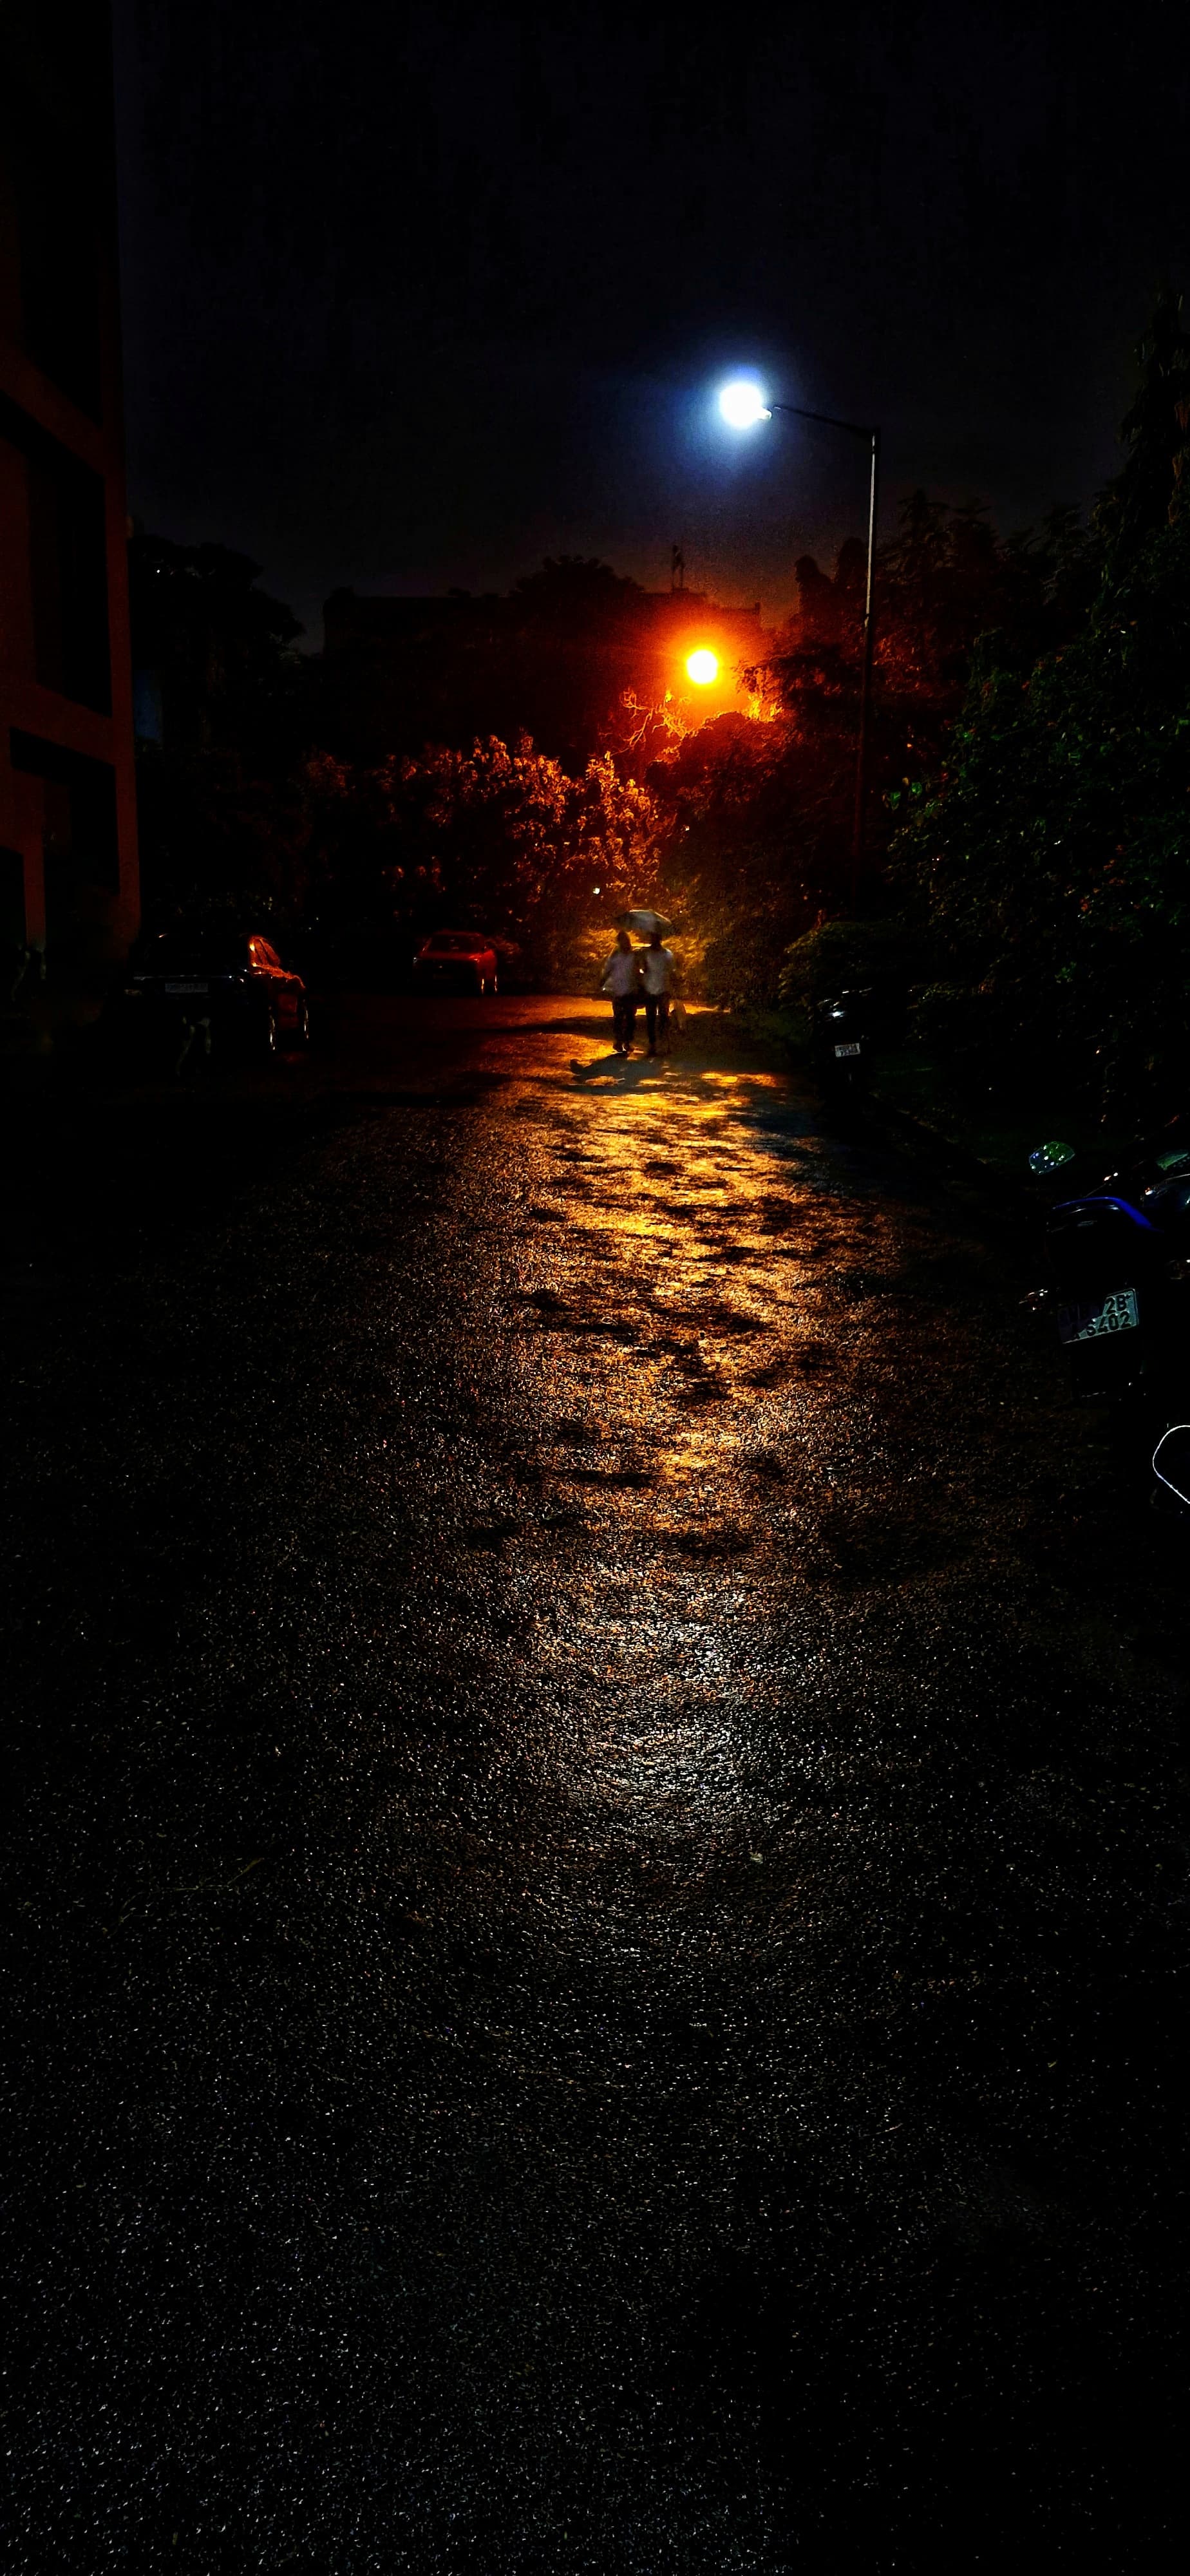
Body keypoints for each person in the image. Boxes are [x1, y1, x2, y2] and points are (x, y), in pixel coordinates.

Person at [600, 929, 642, 1055]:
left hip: (631, 990)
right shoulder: (615, 955)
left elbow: (638, 970)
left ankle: (627, 1041)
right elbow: (608, 968)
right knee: (618, 1017)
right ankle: (619, 1040)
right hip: (618, 990)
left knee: (630, 1018)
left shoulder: (633, 955)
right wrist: (603, 979)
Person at [641, 928, 676, 1056]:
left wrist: (672, 987)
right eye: (652, 937)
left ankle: (662, 1044)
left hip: (662, 990)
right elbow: (644, 969)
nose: (652, 940)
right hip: (651, 989)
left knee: (662, 1018)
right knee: (652, 1019)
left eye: (654, 937)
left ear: (659, 939)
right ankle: (654, 1045)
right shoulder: (649, 954)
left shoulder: (667, 954)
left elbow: (672, 972)